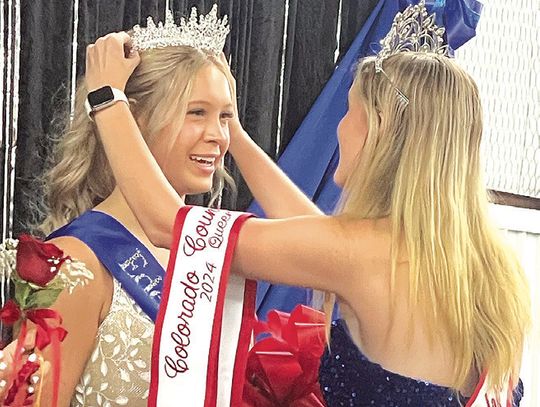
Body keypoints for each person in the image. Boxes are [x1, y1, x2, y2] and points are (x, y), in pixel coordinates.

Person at [84, 1, 531, 406]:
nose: (338, 130)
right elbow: (312, 227)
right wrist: (233, 133)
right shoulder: (486, 265)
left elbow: (171, 226)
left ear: (376, 131)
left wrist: (107, 98)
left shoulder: (362, 250)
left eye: (348, 112)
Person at [33, 6, 241, 406]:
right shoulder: (75, 263)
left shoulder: (207, 253)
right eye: (196, 112)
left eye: (226, 117)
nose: (218, 136)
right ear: (135, 118)